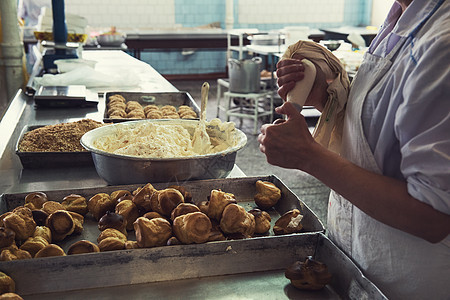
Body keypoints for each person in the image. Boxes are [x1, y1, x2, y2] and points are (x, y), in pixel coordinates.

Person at [258, 0, 450, 299]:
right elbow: (377, 139)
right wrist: (326, 96)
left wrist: (309, 156)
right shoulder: (400, 17)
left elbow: (434, 216)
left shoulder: (442, 44)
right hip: (357, 261)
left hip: (408, 280)